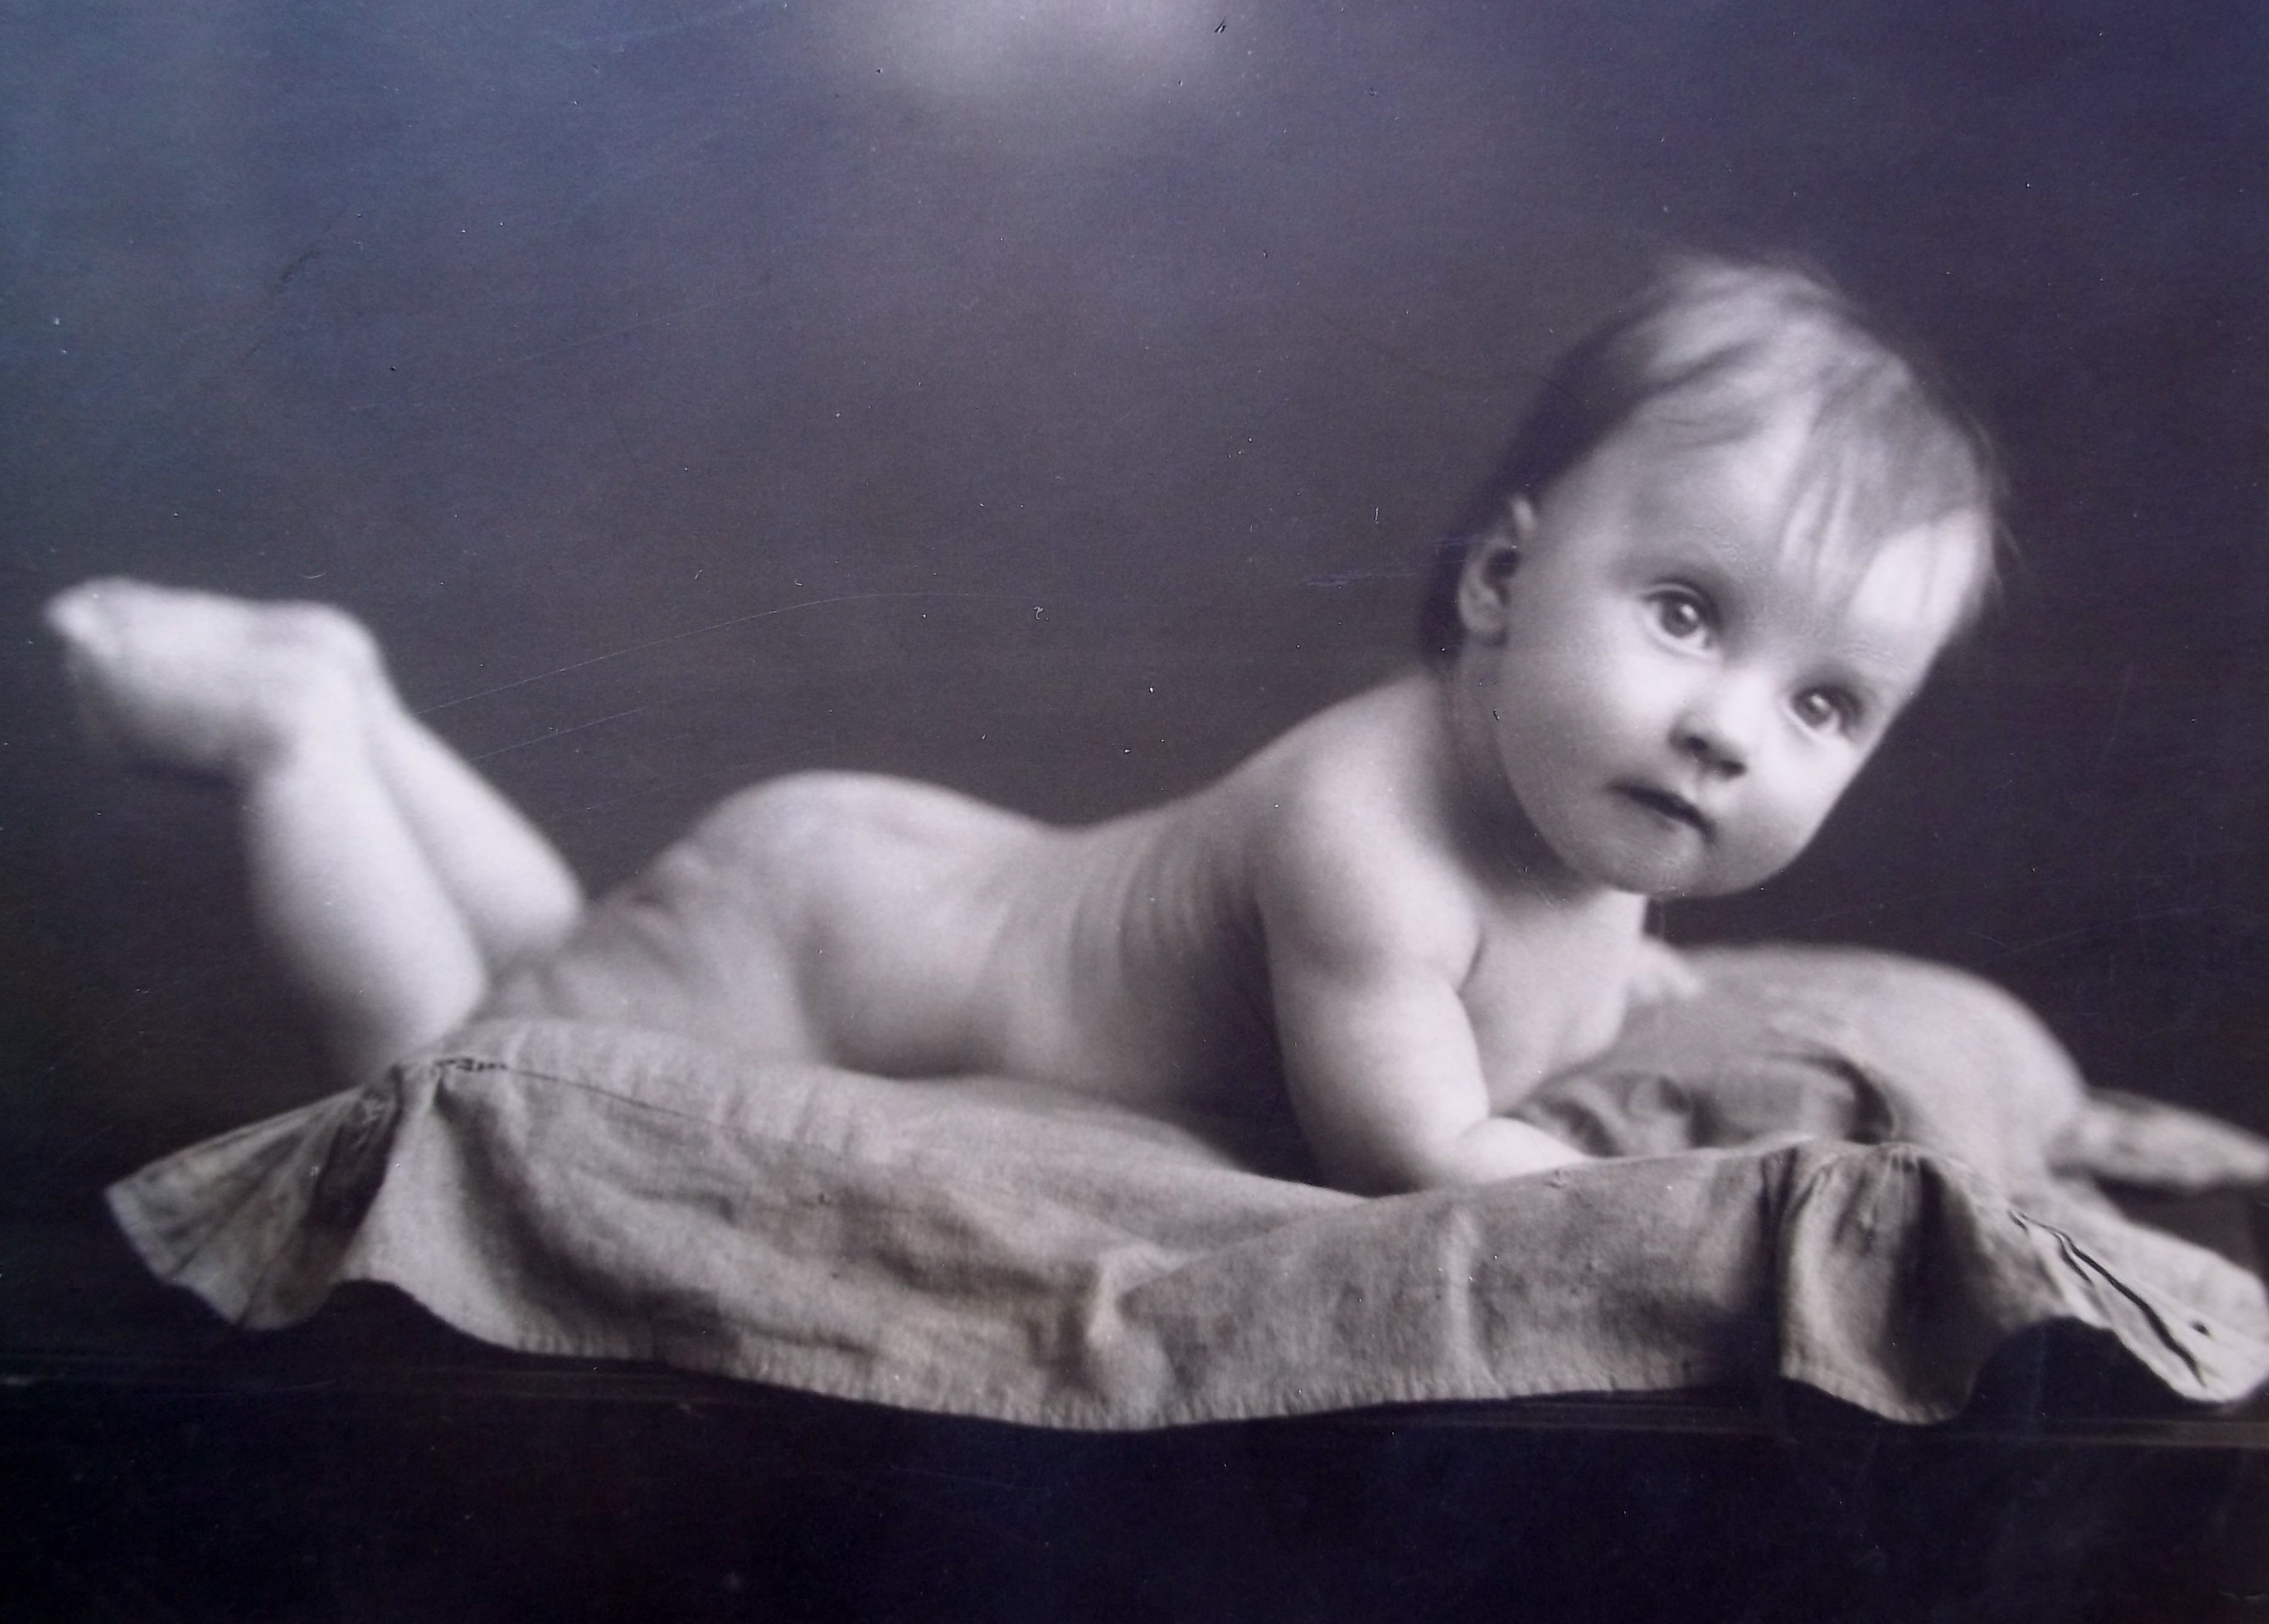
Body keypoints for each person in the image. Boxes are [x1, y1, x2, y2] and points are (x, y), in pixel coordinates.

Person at [45, 256, 1999, 1196]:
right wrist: (1661, 1202)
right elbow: (1416, 1142)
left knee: (565, 956)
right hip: (822, 951)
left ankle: (363, 700)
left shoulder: (1587, 802)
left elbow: (1552, 958)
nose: (1727, 730)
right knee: (448, 1076)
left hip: (875, 877)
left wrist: (1627, 973)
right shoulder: (1366, 835)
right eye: (1685, 613)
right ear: (1501, 580)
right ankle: (297, 736)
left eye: (1824, 699)